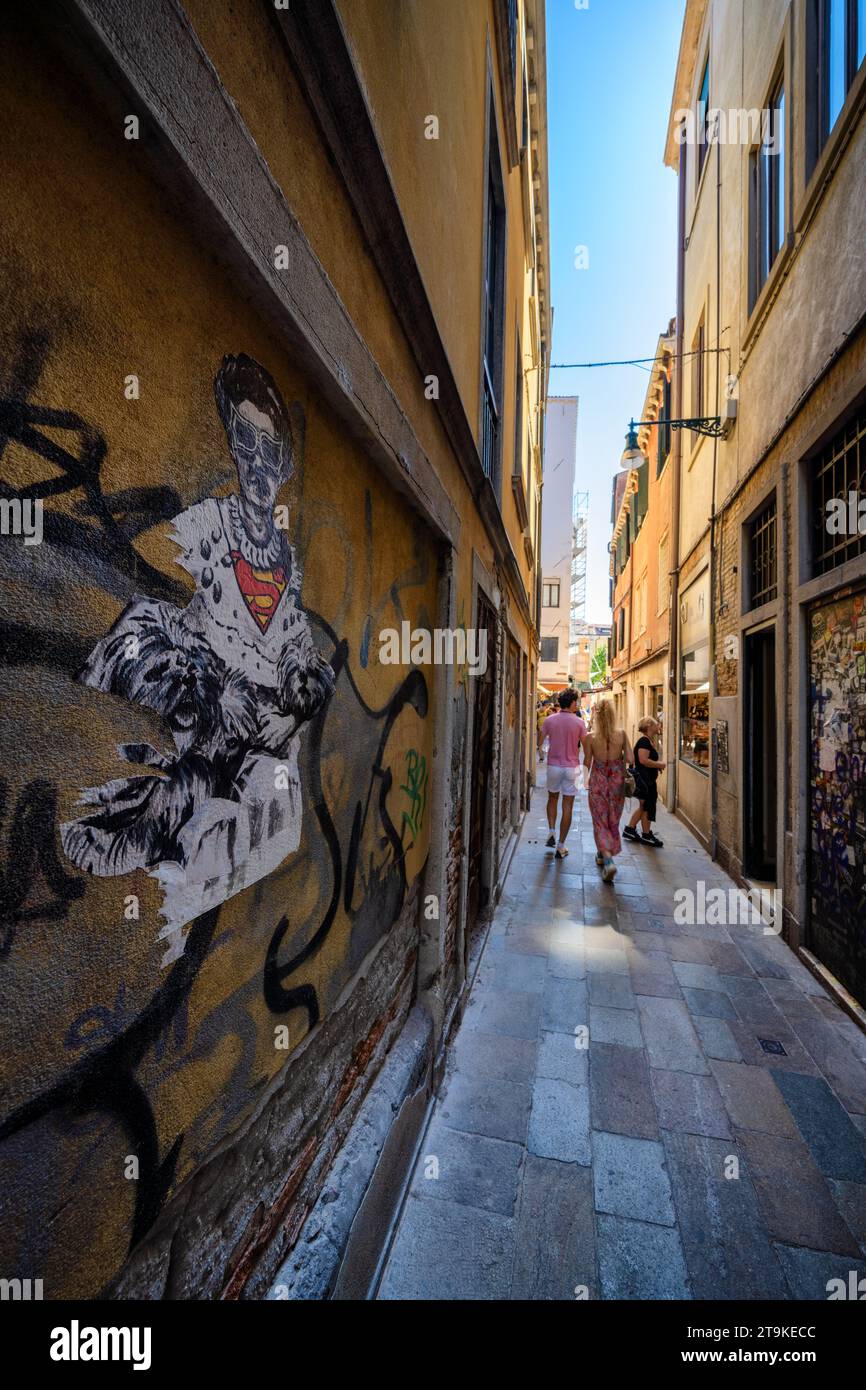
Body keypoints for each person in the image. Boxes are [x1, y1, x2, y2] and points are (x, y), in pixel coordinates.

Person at [582, 697, 633, 882]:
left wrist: (585, 780)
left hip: (598, 782)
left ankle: (608, 860)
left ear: (596, 716)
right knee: (612, 820)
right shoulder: (622, 734)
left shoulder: (590, 737)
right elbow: (630, 758)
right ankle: (603, 854)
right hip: (617, 783)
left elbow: (587, 762)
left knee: (599, 821)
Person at [540, 689, 587, 859]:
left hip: (553, 766)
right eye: (577, 702)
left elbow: (540, 742)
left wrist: (548, 748)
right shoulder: (580, 723)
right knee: (568, 805)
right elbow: (587, 749)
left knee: (552, 798)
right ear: (573, 703)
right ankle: (561, 845)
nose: (578, 705)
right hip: (572, 768)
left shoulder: (550, 720)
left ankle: (551, 830)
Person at [624, 716, 666, 847]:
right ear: (649, 726)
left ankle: (632, 830)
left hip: (648, 779)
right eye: (656, 724)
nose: (659, 726)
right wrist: (659, 764)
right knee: (646, 806)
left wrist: (656, 766)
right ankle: (644, 834)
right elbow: (643, 760)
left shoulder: (648, 741)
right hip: (645, 780)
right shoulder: (644, 742)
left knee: (645, 806)